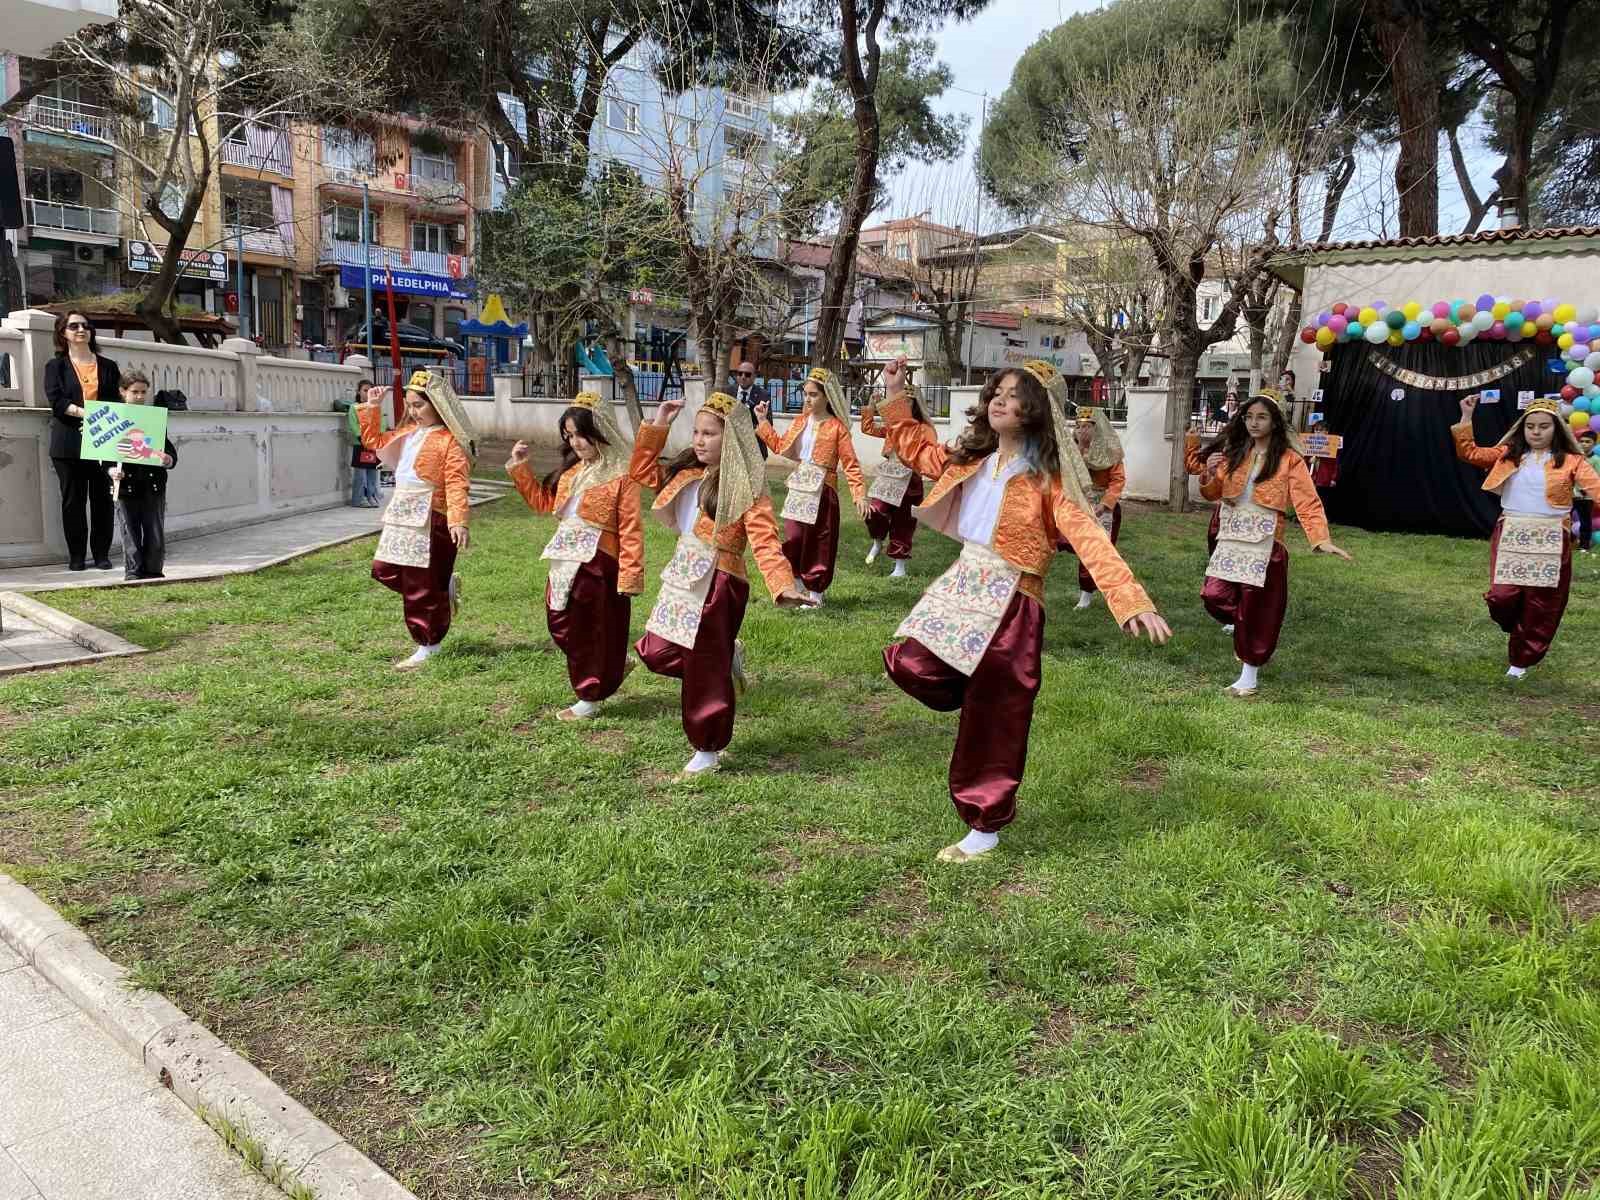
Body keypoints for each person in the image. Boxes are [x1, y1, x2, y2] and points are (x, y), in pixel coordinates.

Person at [878, 357, 1172, 864]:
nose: (999, 399)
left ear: (1036, 410)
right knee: (906, 664)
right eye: (998, 390)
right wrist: (897, 393)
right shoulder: (970, 458)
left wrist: (1128, 598)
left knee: (997, 713)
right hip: (964, 584)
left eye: (1014, 395)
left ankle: (983, 825)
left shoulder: (1049, 481)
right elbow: (913, 447)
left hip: (1015, 600)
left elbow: (1089, 538)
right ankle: (974, 699)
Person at [629, 390, 815, 776]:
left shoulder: (746, 487)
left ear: (731, 438)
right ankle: (723, 659)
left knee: (702, 664)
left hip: (720, 582)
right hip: (683, 573)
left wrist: (783, 585)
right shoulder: (686, 473)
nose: (699, 440)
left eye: (709, 433)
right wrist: (659, 422)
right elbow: (640, 473)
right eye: (696, 432)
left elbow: (764, 539)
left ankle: (707, 747)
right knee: (656, 652)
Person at [1197, 390, 1352, 697]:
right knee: (1213, 595)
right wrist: (1209, 473)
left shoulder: (1289, 459)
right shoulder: (1235, 453)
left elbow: (1307, 501)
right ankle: (1245, 626)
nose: (1254, 423)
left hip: (1265, 541)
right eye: (1249, 416)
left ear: (1275, 422)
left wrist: (1320, 539)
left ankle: (1248, 677)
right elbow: (1213, 494)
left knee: (1254, 608)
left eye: (1262, 417)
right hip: (1230, 537)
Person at [505, 392, 644, 721]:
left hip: (598, 561)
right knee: (559, 623)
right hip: (563, 559)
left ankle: (590, 695)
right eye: (569, 435)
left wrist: (630, 573)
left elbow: (631, 528)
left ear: (601, 430)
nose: (576, 442)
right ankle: (610, 663)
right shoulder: (570, 473)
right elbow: (543, 503)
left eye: (581, 433)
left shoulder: (622, 475)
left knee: (590, 628)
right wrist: (520, 465)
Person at [1453, 394, 1600, 677]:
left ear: (1556, 428)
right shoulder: (1508, 454)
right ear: (1522, 427)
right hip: (1511, 530)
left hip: (1552, 535)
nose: (1536, 431)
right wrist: (1467, 417)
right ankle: (1519, 626)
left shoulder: (1572, 461)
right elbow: (1470, 453)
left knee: (1540, 603)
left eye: (1544, 426)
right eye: (1530, 426)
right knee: (1501, 597)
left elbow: (1596, 490)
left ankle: (1520, 661)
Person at [356, 370, 476, 670]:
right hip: (401, 511)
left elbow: (457, 482)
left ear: (438, 405)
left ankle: (428, 643)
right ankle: (438, 590)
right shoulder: (407, 433)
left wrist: (458, 520)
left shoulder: (450, 442)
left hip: (431, 515)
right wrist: (373, 406)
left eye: (419, 405)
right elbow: (372, 442)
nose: (413, 411)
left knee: (420, 583)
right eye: (410, 405)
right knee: (383, 570)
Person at [753, 366, 868, 606]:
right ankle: (796, 589)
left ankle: (816, 595)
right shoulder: (800, 422)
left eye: (813, 394)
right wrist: (763, 421)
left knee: (819, 541)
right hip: (799, 486)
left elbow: (850, 463)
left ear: (827, 396)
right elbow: (780, 445)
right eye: (806, 393)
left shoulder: (837, 428)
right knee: (794, 537)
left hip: (824, 489)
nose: (807, 398)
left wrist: (859, 494)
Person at [43, 310, 120, 571]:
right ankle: (77, 556)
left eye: (85, 326)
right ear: (63, 333)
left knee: (103, 500)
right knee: (73, 503)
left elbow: (116, 403)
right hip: (68, 442)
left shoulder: (108, 366)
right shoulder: (56, 366)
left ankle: (101, 555)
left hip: (104, 440)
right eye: (73, 326)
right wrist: (85, 413)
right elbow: (57, 401)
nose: (81, 330)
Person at [104, 370, 177, 580]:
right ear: (122, 391)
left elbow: (167, 450)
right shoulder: (112, 419)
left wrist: (167, 459)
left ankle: (154, 570)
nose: (139, 397)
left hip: (152, 484)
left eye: (143, 392)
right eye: (134, 392)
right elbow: (103, 455)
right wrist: (111, 471)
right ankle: (134, 572)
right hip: (126, 485)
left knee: (154, 530)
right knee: (130, 531)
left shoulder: (153, 419)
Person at [858, 383, 931, 579]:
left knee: (903, 521)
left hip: (910, 478)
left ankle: (899, 567)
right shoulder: (893, 425)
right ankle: (878, 539)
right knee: (875, 511)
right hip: (888, 474)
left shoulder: (923, 429)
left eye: (908, 402)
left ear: (915, 404)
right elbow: (868, 428)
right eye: (901, 402)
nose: (904, 406)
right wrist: (871, 406)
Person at [335, 380, 381, 507]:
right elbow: (354, 425)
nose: (368, 393)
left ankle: (371, 496)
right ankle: (359, 499)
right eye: (365, 390)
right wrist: (362, 439)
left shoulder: (376, 407)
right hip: (361, 444)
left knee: (372, 472)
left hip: (374, 444)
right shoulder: (354, 407)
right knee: (361, 474)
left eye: (370, 390)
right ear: (359, 392)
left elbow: (381, 423)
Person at [732, 361, 770, 458]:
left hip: (755, 449)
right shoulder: (728, 392)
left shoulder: (763, 395)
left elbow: (768, 424)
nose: (743, 377)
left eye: (747, 374)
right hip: (732, 448)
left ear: (754, 376)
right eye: (740, 374)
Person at [1574, 429, 1596, 553]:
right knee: (1564, 519)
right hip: (1571, 494)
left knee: (1585, 521)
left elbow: (1597, 478)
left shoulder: (1596, 460)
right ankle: (1565, 543)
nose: (1584, 444)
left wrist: (1587, 490)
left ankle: (1584, 546)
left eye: (1588, 442)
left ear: (1594, 444)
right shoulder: (1575, 458)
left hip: (1586, 497)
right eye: (1581, 441)